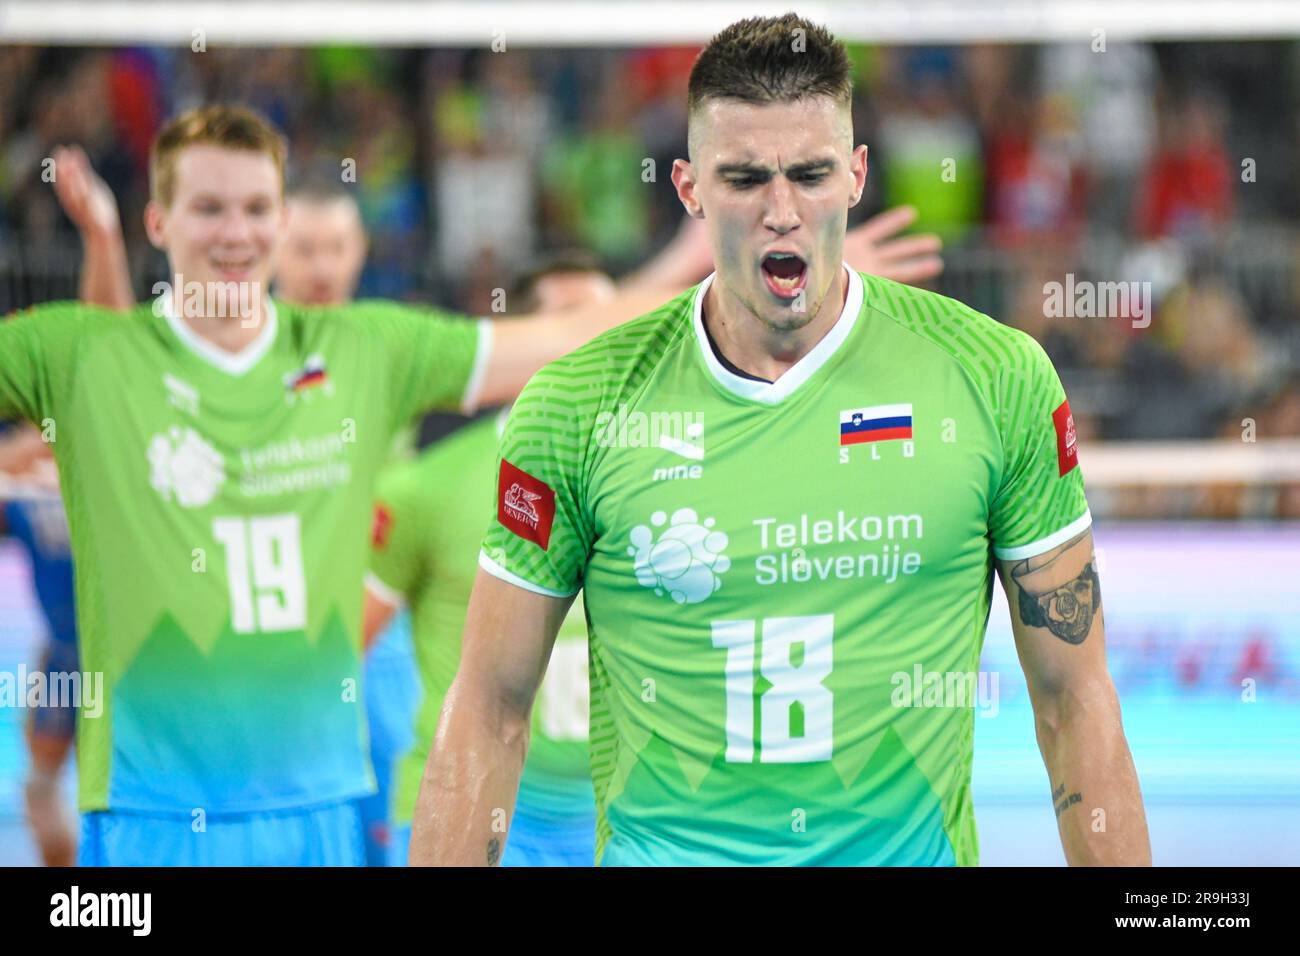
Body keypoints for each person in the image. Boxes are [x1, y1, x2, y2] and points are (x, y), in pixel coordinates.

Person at [413, 14, 1150, 867]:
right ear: (688, 190)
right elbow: (489, 711)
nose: (781, 211)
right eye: (744, 178)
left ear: (856, 176)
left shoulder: (996, 379)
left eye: (810, 174)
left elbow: (1074, 699)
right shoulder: (577, 405)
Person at [0, 103, 681, 867]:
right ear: (158, 222)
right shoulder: (81, 353)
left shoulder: (365, 349)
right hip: (149, 812)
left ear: (280, 220)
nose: (235, 233)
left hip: (320, 807)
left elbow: (566, 334)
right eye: (209, 208)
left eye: (256, 209)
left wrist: (739, 280)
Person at [0, 424, 77, 866]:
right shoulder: (26, 461)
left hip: (127, 655)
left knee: (127, 787)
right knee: (41, 784)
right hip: (67, 652)